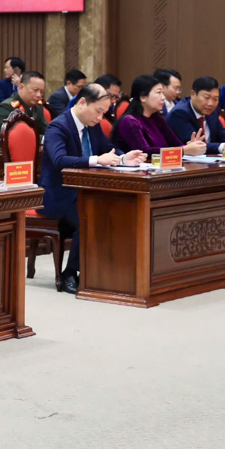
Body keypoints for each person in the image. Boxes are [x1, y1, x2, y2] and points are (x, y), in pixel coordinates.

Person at [39, 84, 146, 294]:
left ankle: (104, 271)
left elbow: (108, 150)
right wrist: (97, 160)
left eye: (104, 113)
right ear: (82, 103)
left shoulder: (92, 126)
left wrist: (124, 157)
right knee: (88, 219)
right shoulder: (57, 127)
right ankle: (70, 274)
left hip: (84, 192)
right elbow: (60, 160)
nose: (100, 118)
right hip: (59, 195)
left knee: (114, 211)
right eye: (98, 111)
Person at [112, 75, 206, 156]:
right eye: (158, 92)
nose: (163, 97)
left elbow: (174, 144)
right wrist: (184, 150)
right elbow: (145, 152)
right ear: (143, 97)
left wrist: (189, 146)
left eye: (163, 93)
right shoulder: (130, 121)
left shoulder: (157, 119)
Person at [167, 77, 225, 155]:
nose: (211, 104)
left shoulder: (213, 111)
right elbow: (196, 146)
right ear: (193, 94)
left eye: (215, 99)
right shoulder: (179, 113)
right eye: (206, 98)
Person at [0, 71, 47, 148]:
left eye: (41, 92)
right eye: (35, 90)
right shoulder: (6, 107)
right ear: (21, 87)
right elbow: (18, 135)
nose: (39, 95)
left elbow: (45, 129)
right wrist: (45, 139)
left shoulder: (38, 106)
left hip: (26, 148)